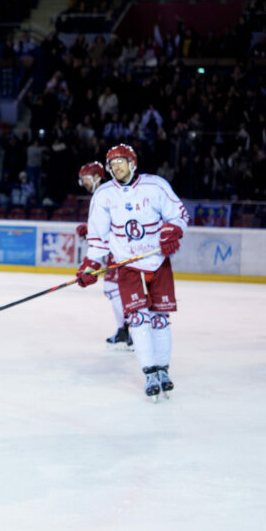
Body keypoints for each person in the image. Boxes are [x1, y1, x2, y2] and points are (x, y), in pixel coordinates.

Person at [76, 143, 189, 399]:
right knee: (138, 319)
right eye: (112, 163)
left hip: (158, 262)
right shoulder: (103, 195)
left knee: (160, 319)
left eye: (120, 161)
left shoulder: (156, 186)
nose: (116, 166)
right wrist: (91, 265)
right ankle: (149, 371)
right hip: (128, 265)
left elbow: (179, 214)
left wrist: (174, 229)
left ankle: (163, 370)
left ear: (133, 163)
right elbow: (97, 238)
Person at [75, 161, 131, 349]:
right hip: (117, 247)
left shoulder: (105, 192)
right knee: (116, 290)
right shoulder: (105, 192)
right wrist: (90, 231)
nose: (84, 183)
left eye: (86, 179)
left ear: (97, 176)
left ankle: (127, 332)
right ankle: (127, 331)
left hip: (120, 248)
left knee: (112, 288)